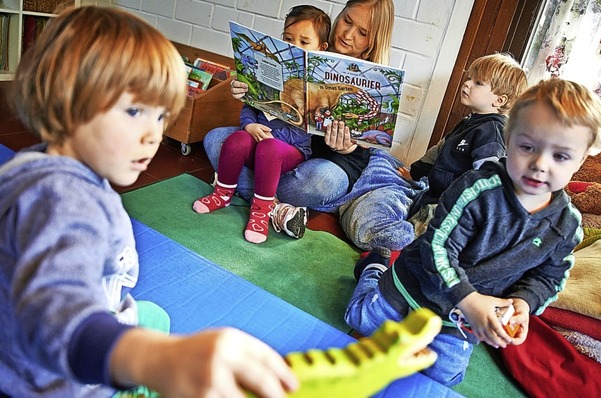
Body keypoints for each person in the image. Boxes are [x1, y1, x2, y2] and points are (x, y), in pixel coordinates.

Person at [0, 6, 297, 397]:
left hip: (35, 343)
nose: (153, 135)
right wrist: (154, 359)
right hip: (53, 377)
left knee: (152, 316)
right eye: (135, 111)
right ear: (67, 102)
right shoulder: (66, 200)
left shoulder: (33, 167)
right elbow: (59, 321)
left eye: (161, 116)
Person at [343, 78, 601, 387]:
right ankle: (375, 267)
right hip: (414, 283)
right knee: (359, 320)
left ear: (583, 155)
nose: (539, 165)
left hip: (461, 319)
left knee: (445, 376)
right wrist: (469, 299)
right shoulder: (477, 188)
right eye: (527, 147)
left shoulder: (567, 225)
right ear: (508, 139)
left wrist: (522, 304)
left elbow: (549, 278)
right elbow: (436, 248)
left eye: (560, 156)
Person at [203, 0, 396, 239]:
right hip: (279, 145)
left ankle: (248, 192)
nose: (347, 34)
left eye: (362, 32)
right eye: (347, 21)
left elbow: (363, 144)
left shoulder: (373, 79)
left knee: (321, 182)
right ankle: (275, 207)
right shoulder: (311, 40)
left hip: (328, 162)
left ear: (373, 41)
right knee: (216, 140)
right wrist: (247, 90)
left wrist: (346, 147)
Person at [340, 53, 529, 255]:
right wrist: (413, 173)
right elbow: (438, 151)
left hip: (448, 208)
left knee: (417, 237)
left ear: (499, 100)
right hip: (431, 195)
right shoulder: (468, 122)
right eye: (469, 78)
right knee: (380, 159)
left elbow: (486, 174)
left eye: (478, 83)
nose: (467, 84)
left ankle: (398, 250)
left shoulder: (492, 131)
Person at [192, 5, 331, 244]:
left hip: (288, 150)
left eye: (304, 41)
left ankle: (261, 211)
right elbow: (251, 105)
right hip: (259, 137)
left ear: (321, 48)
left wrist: (273, 138)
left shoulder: (317, 87)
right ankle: (222, 194)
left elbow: (302, 134)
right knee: (235, 140)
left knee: (269, 148)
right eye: (288, 39)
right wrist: (248, 126)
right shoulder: (270, 68)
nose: (293, 45)